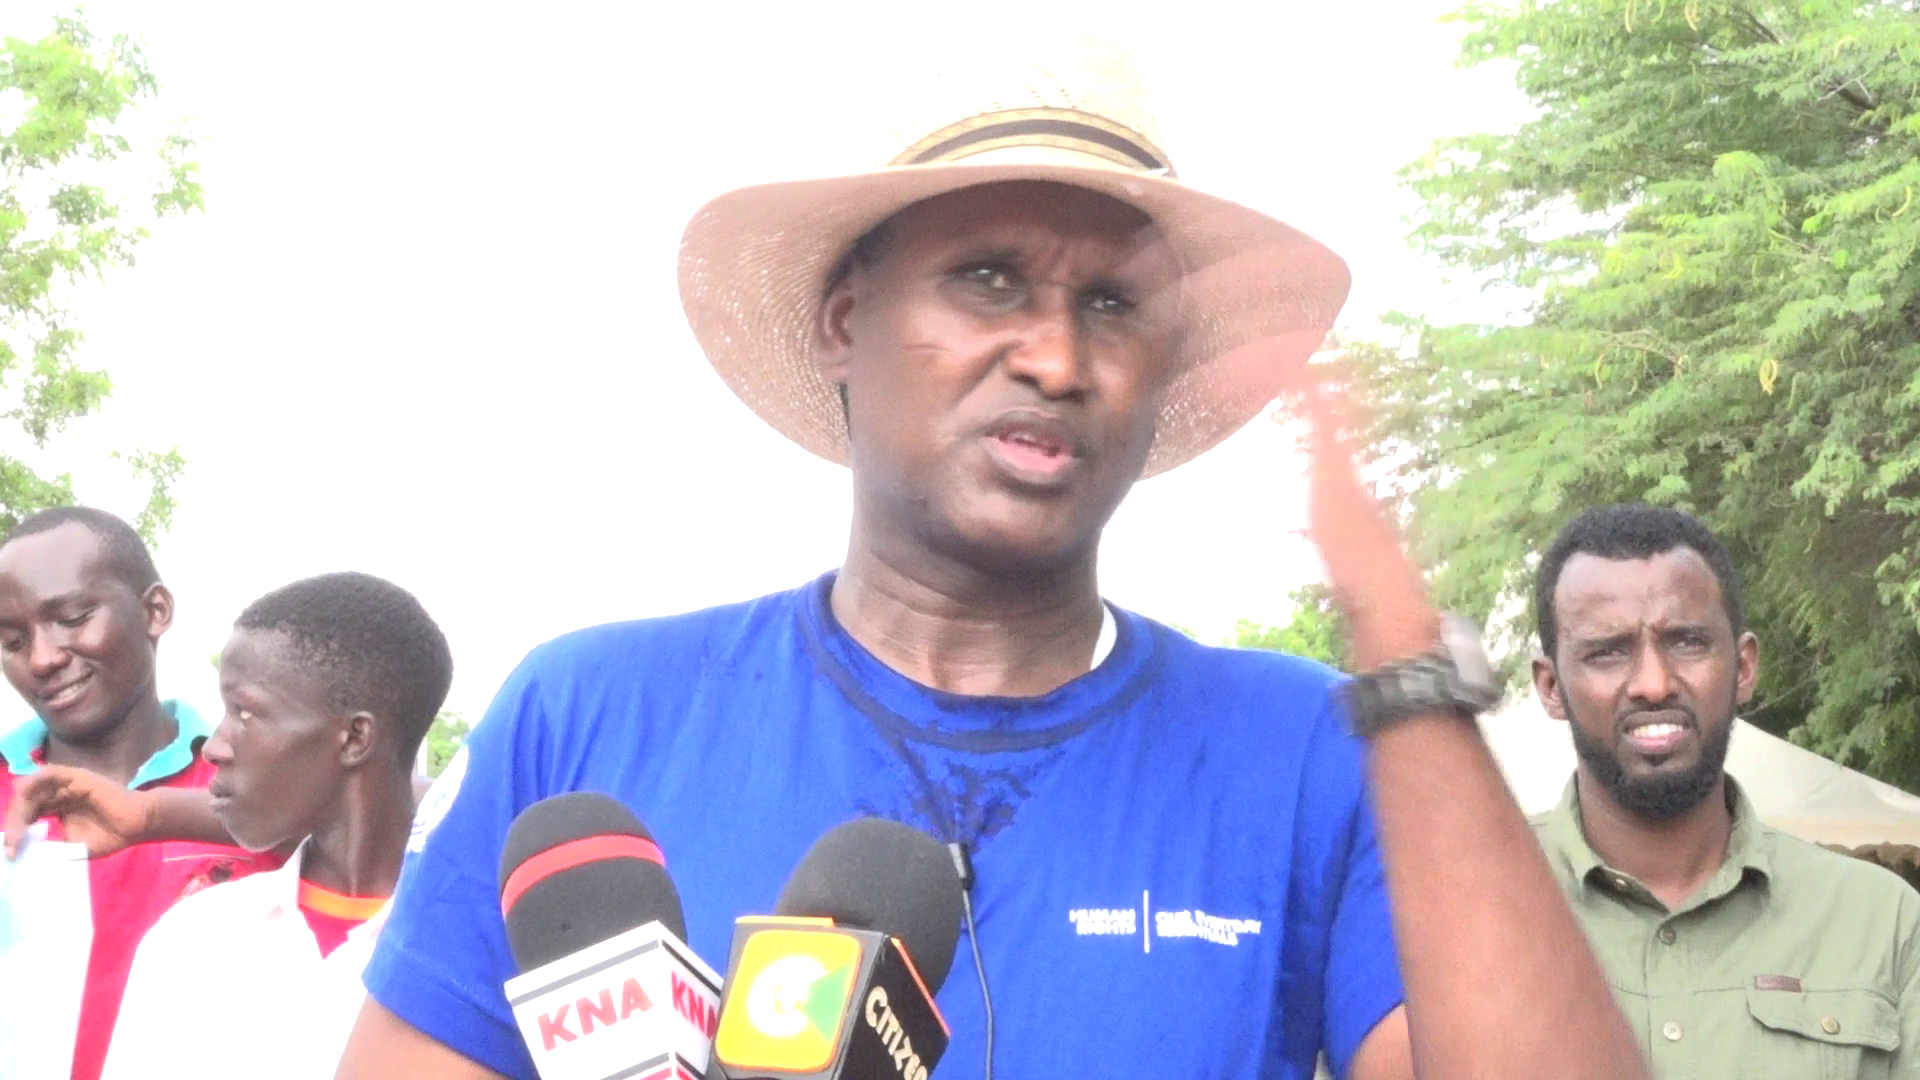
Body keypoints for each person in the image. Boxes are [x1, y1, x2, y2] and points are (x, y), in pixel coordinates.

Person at [339, 47, 1647, 1080]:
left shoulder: (1306, 751)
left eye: (1113, 305)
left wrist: (1403, 647)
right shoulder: (590, 716)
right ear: (845, 321)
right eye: (988, 279)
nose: (1059, 360)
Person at [1529, 503, 1920, 1077]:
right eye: (1607, 650)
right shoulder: (1465, 909)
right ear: (1550, 686)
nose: (1653, 684)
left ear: (1743, 668)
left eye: (1687, 641)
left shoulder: (1881, 921)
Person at [98, 571, 452, 1080]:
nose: (214, 747)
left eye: (244, 714)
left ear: (355, 738)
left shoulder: (478, 959)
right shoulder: (192, 940)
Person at [0, 506, 276, 1080]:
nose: (42, 658)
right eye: (11, 640)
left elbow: (409, 812)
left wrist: (160, 814)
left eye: (72, 619)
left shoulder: (262, 793)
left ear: (156, 611)